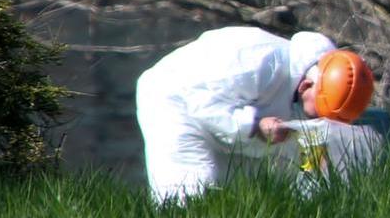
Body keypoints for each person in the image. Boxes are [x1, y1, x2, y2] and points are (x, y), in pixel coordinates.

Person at [135, 27, 374, 203]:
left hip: (224, 113)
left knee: (249, 190)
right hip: (175, 98)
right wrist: (254, 126)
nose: (318, 121)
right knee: (192, 193)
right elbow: (202, 104)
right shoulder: (259, 63)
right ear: (305, 87)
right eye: (319, 115)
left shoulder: (307, 86)